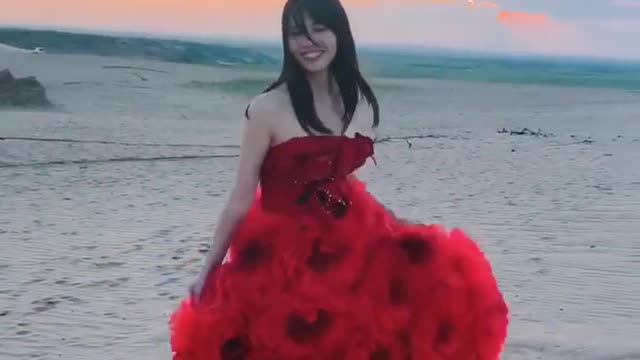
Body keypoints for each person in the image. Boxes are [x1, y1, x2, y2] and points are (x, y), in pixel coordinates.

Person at [169, 0, 509, 359]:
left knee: (425, 285)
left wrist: (391, 222)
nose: (308, 41)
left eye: (319, 29)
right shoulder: (266, 109)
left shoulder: (358, 101)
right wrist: (209, 268)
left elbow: (339, 183)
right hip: (284, 255)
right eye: (297, 32)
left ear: (339, 34)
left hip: (350, 238)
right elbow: (240, 197)